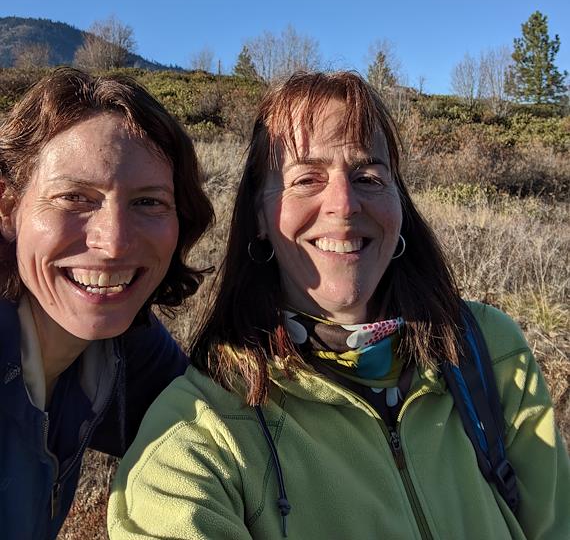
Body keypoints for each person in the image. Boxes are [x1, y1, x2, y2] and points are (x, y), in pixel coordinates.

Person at [108, 71, 569, 540]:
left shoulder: (489, 349)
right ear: (259, 215)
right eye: (307, 179)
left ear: (399, 204)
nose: (344, 204)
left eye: (368, 177)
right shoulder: (198, 436)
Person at [0, 67, 213, 540]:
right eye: (75, 197)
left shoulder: (121, 346)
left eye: (148, 202)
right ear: (8, 207)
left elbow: (223, 430)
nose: (114, 242)